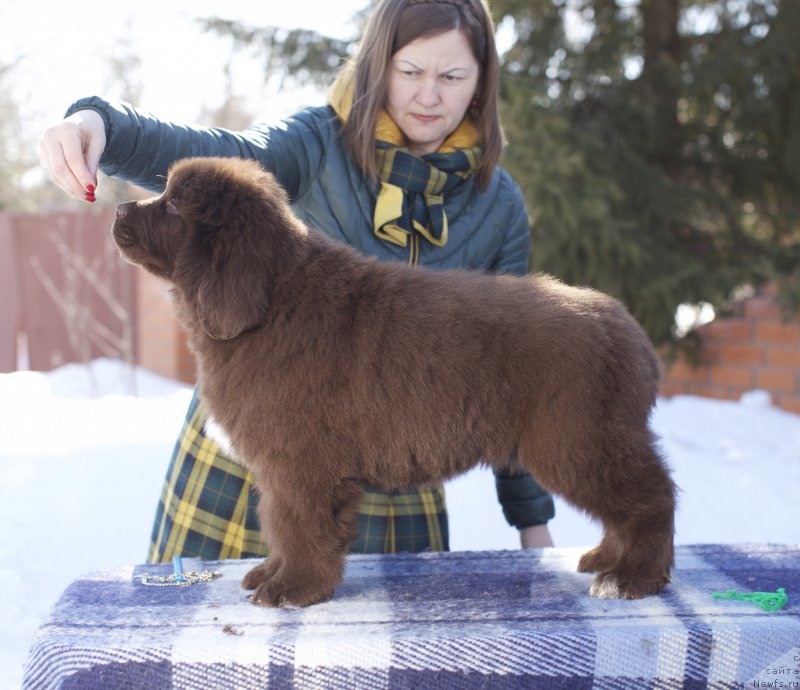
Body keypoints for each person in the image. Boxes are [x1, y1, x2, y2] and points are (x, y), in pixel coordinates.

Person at [40, 0, 556, 561]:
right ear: (378, 66)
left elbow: (516, 361)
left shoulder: (498, 204)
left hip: (396, 480)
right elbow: (221, 159)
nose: (429, 95)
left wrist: (532, 521)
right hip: (255, 465)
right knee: (201, 643)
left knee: (379, 652)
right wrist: (100, 126)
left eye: (452, 76)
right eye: (410, 72)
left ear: (481, 83)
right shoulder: (315, 143)